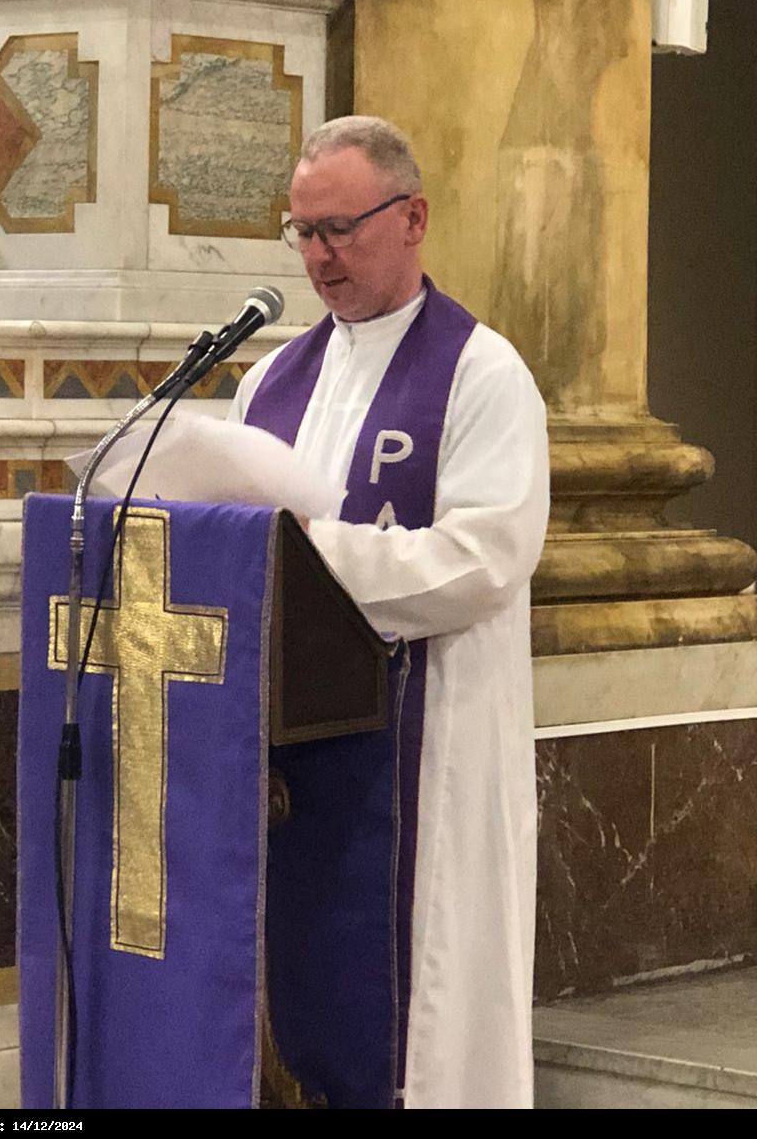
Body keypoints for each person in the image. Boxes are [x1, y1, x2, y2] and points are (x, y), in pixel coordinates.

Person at [229, 115, 549, 1108]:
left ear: (412, 218)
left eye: (340, 228)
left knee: (421, 1016)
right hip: (293, 756)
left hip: (428, 745)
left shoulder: (481, 374)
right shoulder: (266, 381)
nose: (318, 256)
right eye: (302, 231)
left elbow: (483, 559)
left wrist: (307, 554)